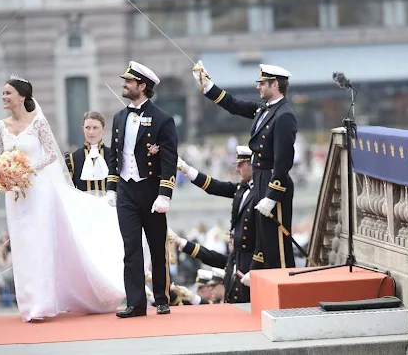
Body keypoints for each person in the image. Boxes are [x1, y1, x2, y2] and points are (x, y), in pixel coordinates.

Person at [0, 74, 126, 322]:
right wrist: (4, 174)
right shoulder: (0, 127)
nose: (4, 97)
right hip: (16, 196)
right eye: (3, 93)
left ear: (22, 97)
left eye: (8, 93)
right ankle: (28, 304)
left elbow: (51, 155)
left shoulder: (39, 122)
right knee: (22, 247)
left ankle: (44, 304)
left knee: (41, 244)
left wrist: (27, 169)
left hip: (40, 191)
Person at [192, 62, 297, 272]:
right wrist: (208, 86)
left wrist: (272, 195)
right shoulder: (264, 109)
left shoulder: (284, 115)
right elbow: (234, 104)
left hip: (272, 183)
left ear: (275, 84)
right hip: (259, 179)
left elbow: (284, 160)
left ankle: (284, 282)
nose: (258, 87)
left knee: (276, 243)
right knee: (264, 238)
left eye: (262, 83)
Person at [106, 61, 178, 318]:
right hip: (126, 191)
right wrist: (111, 188)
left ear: (142, 86)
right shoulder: (118, 117)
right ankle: (136, 303)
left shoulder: (163, 119)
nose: (124, 85)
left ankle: (161, 297)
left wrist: (165, 194)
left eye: (129, 81)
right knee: (131, 248)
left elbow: (169, 160)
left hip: (151, 192)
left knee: (157, 247)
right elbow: (115, 156)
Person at [173, 145, 255, 303]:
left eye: (241, 164)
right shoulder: (241, 189)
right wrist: (186, 169)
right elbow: (214, 187)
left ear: (253, 164)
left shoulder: (260, 192)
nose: (236, 168)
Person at [64, 111, 111, 195]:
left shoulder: (113, 155)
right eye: (87, 127)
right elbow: (68, 190)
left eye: (95, 128)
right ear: (83, 129)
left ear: (104, 129)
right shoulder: (72, 158)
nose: (91, 132)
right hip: (84, 206)